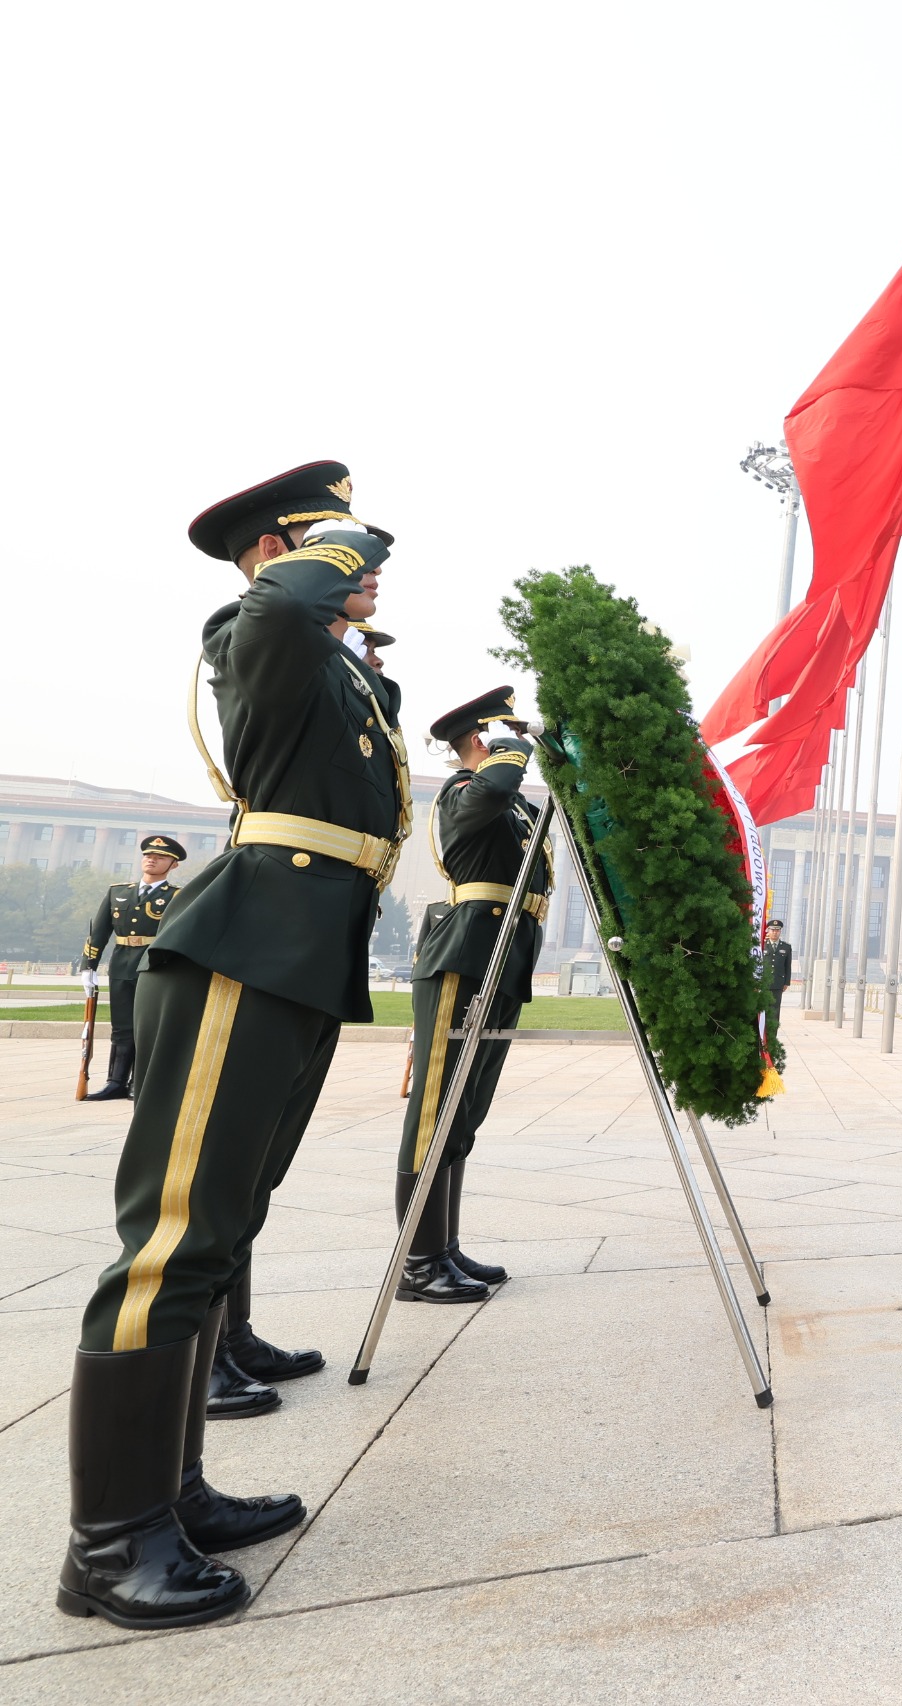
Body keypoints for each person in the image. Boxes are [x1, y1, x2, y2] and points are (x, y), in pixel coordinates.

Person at [59, 463, 404, 1629]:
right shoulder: (251, 626)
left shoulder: (341, 670)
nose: (365, 571)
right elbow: (274, 608)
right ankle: (109, 1545)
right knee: (172, 1237)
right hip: (242, 950)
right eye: (337, 547)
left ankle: (174, 1493)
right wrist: (348, 544)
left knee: (223, 1227)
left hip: (299, 953)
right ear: (279, 549)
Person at [395, 688, 551, 1310]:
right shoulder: (464, 793)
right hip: (463, 956)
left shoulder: (504, 807)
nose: (517, 746)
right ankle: (418, 1261)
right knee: (435, 1108)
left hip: (502, 954)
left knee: (465, 1111)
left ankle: (444, 1247)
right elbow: (496, 785)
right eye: (503, 735)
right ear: (480, 741)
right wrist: (513, 746)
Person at [78, 835, 189, 1101]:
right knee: (122, 1026)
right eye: (148, 855)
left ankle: (138, 1084)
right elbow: (100, 931)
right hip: (121, 964)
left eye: (160, 857)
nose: (151, 860)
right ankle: (115, 1082)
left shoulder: (177, 896)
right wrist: (88, 966)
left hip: (156, 967)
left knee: (148, 1027)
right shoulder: (118, 891)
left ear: (173, 865)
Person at [759, 919, 793, 1044]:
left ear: (780, 932)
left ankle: (772, 1037)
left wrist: (786, 982)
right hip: (763, 984)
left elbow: (787, 966)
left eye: (777, 930)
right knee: (762, 1010)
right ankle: (761, 1035)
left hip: (778, 985)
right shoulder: (762, 946)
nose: (775, 933)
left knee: (774, 1011)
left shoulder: (786, 947)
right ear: (768, 931)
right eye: (773, 930)